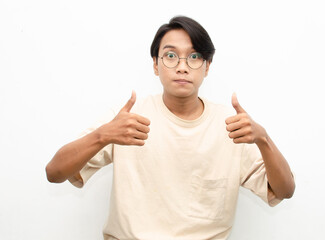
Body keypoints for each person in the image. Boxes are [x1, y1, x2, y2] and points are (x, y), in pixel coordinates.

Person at [46, 16, 295, 240]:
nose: (183, 66)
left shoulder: (231, 126)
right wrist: (103, 135)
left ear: (208, 67)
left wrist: (263, 139)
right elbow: (54, 172)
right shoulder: (127, 119)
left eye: (195, 56)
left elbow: (284, 190)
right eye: (171, 55)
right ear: (155, 64)